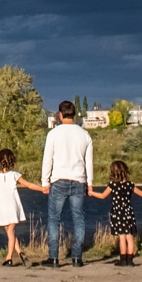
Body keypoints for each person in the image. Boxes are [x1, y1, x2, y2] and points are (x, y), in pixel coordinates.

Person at [39, 100, 95, 267]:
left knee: (54, 219)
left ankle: (54, 257)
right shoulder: (85, 135)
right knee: (78, 219)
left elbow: (47, 159)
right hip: (78, 180)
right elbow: (89, 162)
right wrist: (90, 183)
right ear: (75, 114)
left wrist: (44, 181)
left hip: (58, 179)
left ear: (60, 114)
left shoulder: (54, 134)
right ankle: (77, 258)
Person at [88, 159, 142, 266]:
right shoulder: (130, 184)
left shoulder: (112, 185)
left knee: (122, 237)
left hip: (117, 213)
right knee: (130, 236)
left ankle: (123, 259)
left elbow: (102, 196)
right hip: (128, 213)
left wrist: (91, 193)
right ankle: (130, 260)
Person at [0, 148, 42, 265]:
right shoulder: (14, 175)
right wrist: (42, 189)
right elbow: (29, 185)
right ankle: (20, 253)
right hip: (12, 206)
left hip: (1, 207)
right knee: (11, 233)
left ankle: (9, 257)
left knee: (10, 232)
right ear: (12, 161)